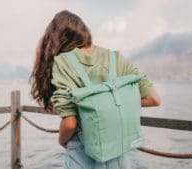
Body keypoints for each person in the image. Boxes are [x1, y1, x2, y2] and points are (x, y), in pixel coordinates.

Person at [30, 10, 161, 169]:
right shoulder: (116, 58)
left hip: (81, 151)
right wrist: (112, 105)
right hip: (117, 152)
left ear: (56, 38)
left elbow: (70, 123)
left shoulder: (63, 62)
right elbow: (154, 99)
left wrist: (62, 140)